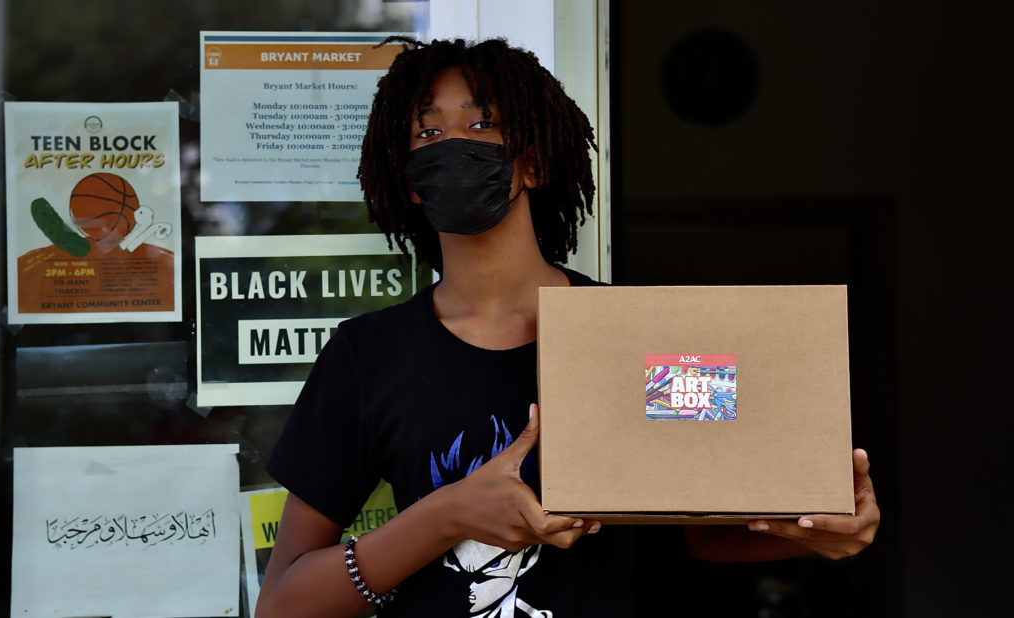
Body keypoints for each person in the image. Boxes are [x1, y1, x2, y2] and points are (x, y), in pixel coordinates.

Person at [256, 37, 880, 618]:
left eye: (482, 124)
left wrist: (822, 536)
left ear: (531, 161)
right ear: (408, 181)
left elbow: (700, 533)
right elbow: (282, 602)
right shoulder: (368, 356)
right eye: (428, 131)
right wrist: (447, 517)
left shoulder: (634, 334)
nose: (454, 144)